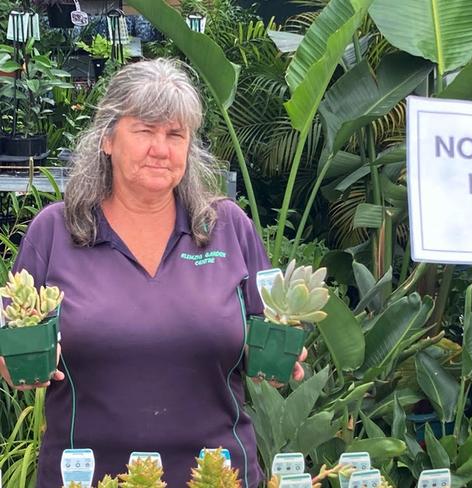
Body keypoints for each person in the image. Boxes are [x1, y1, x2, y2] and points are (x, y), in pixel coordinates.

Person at [0, 58, 305, 487]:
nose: (160, 149)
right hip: (87, 478)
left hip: (216, 477)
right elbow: (13, 352)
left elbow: (268, 332)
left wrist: (281, 357)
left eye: (175, 135)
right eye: (144, 131)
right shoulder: (55, 231)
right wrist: (14, 363)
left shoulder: (227, 227)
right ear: (107, 139)